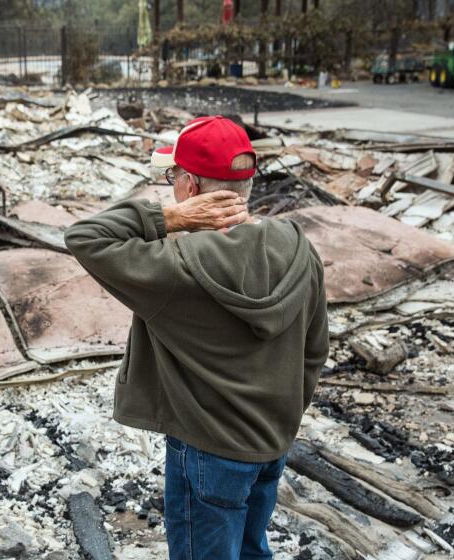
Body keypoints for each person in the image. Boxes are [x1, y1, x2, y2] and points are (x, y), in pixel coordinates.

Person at [64, 116, 329, 560]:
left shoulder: (177, 267)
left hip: (209, 451)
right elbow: (314, 352)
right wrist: (279, 422)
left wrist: (168, 217)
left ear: (188, 186)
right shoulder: (299, 248)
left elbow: (85, 237)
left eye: (173, 178)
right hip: (271, 444)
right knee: (251, 551)